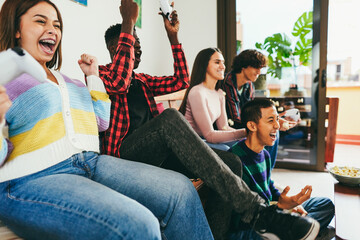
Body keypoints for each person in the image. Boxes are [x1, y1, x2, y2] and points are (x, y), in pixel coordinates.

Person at [98, 2, 322, 238]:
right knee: (169, 117)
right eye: (132, 45)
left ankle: (218, 234)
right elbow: (119, 81)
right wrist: (129, 22)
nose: (137, 50)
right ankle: (258, 212)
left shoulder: (142, 81)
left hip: (157, 155)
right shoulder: (102, 75)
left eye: (139, 46)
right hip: (123, 156)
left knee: (233, 163)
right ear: (115, 48)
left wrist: (172, 37)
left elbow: (181, 81)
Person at [0, 0, 215, 239]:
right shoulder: (6, 78)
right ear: (16, 29)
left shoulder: (70, 81)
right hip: (38, 174)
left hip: (91, 162)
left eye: (57, 25)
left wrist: (92, 79)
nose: (52, 30)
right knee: (139, 225)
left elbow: (100, 122)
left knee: (182, 191)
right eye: (41, 21)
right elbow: (120, 81)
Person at [229, 99, 334, 239]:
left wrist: (291, 203)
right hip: (254, 224)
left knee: (325, 204)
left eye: (277, 119)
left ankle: (304, 232)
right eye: (271, 120)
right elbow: (242, 213)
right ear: (252, 126)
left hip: (273, 212)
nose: (277, 125)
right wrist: (280, 208)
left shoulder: (265, 154)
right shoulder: (234, 160)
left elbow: (269, 188)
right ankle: (309, 232)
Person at [221, 49, 298, 166]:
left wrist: (273, 121)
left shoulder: (249, 86)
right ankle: (260, 171)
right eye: (256, 67)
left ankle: (266, 173)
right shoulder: (227, 82)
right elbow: (236, 118)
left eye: (261, 68)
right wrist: (265, 123)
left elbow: (252, 112)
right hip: (230, 128)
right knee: (268, 131)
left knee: (274, 131)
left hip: (244, 124)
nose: (259, 71)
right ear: (243, 66)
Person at [178, 48, 246, 151]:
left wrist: (248, 136)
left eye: (223, 62)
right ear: (204, 65)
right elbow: (209, 135)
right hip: (191, 142)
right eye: (217, 62)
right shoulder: (197, 92)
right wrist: (244, 132)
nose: (223, 67)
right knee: (227, 150)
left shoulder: (219, 93)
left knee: (247, 146)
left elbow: (224, 127)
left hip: (204, 140)